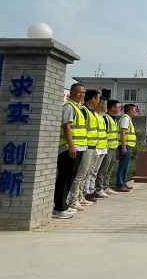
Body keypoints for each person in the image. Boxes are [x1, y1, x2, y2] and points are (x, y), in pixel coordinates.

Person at [53, 83, 86, 219]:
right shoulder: (69, 107)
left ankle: (64, 205)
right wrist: (71, 146)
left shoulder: (77, 107)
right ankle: (59, 208)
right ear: (72, 92)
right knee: (64, 178)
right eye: (79, 92)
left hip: (78, 147)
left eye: (83, 93)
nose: (81, 95)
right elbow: (67, 127)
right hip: (69, 148)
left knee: (70, 177)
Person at [68, 90, 100, 210]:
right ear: (93, 99)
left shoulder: (91, 112)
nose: (98, 102)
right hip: (84, 146)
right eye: (98, 99)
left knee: (86, 173)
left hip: (92, 146)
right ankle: (73, 200)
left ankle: (80, 197)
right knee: (80, 174)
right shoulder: (83, 111)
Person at [95, 100, 120, 196]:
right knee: (103, 169)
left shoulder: (114, 119)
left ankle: (106, 186)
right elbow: (104, 132)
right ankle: (99, 188)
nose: (119, 109)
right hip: (107, 147)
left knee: (109, 169)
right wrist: (106, 145)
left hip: (114, 146)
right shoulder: (105, 118)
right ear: (113, 108)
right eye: (118, 107)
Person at [85, 97, 108, 199]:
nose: (106, 107)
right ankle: (86, 192)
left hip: (102, 146)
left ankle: (92, 189)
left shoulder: (101, 117)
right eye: (105, 104)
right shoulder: (93, 115)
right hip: (95, 147)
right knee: (90, 170)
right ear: (100, 104)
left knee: (95, 171)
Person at [116, 103, 137, 192]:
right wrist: (124, 146)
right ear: (130, 110)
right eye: (134, 110)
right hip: (126, 145)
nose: (135, 111)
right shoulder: (125, 119)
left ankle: (123, 182)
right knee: (123, 165)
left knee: (126, 165)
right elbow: (122, 132)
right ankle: (120, 184)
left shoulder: (128, 119)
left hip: (129, 145)